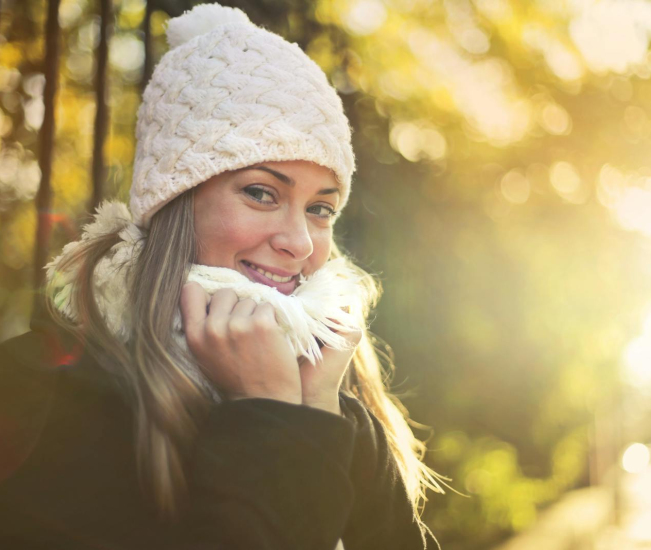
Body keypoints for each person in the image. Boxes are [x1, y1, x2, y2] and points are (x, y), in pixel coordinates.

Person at [0, 4, 446, 549]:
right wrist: (272, 418)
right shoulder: (37, 394)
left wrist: (310, 410)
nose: (300, 242)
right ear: (175, 202)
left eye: (320, 209)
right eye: (262, 193)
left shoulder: (340, 411)